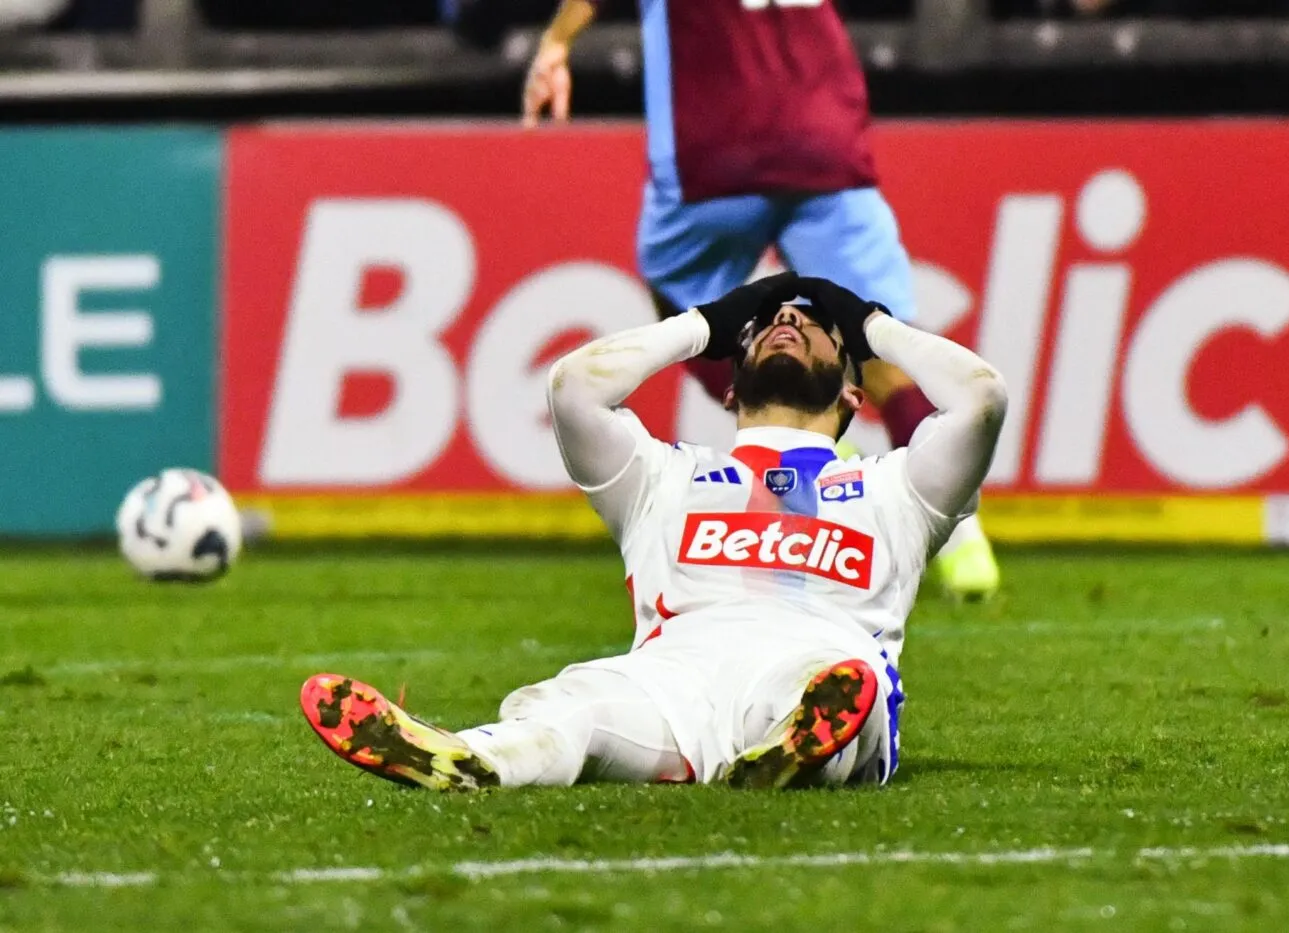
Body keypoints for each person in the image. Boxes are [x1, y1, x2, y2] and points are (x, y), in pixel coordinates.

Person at [300, 273, 1007, 791]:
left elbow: (983, 397)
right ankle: (467, 757)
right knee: (573, 706)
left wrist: (869, 321)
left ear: (855, 390)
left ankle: (798, 744)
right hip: (671, 685)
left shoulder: (898, 488)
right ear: (728, 385)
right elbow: (573, 387)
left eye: (817, 324)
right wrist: (705, 322)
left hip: (818, 663)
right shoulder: (661, 476)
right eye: (765, 322)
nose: (788, 318)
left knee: (837, 690)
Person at [518, 0, 1001, 600]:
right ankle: (964, 540)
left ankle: (813, 445)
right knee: (874, 341)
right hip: (825, 140)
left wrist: (556, 41)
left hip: (717, 147)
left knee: (679, 302)